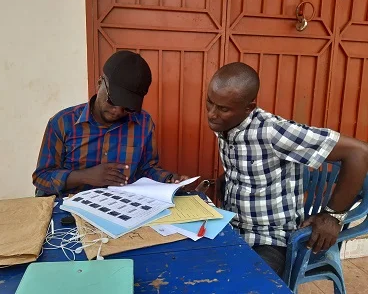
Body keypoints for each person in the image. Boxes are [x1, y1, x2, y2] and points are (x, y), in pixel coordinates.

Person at [206, 62, 368, 277]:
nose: (212, 114)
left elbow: (359, 152)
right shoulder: (226, 127)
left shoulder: (274, 132)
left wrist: (333, 216)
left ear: (249, 108)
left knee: (249, 286)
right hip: (232, 228)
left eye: (223, 108)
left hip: (270, 240)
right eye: (209, 103)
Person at [33, 50, 188, 197]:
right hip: (71, 211)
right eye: (112, 101)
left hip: (125, 209)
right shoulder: (63, 123)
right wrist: (84, 176)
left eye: (127, 107)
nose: (117, 111)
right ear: (99, 83)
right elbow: (41, 177)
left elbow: (147, 169)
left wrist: (169, 180)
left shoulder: (143, 123)